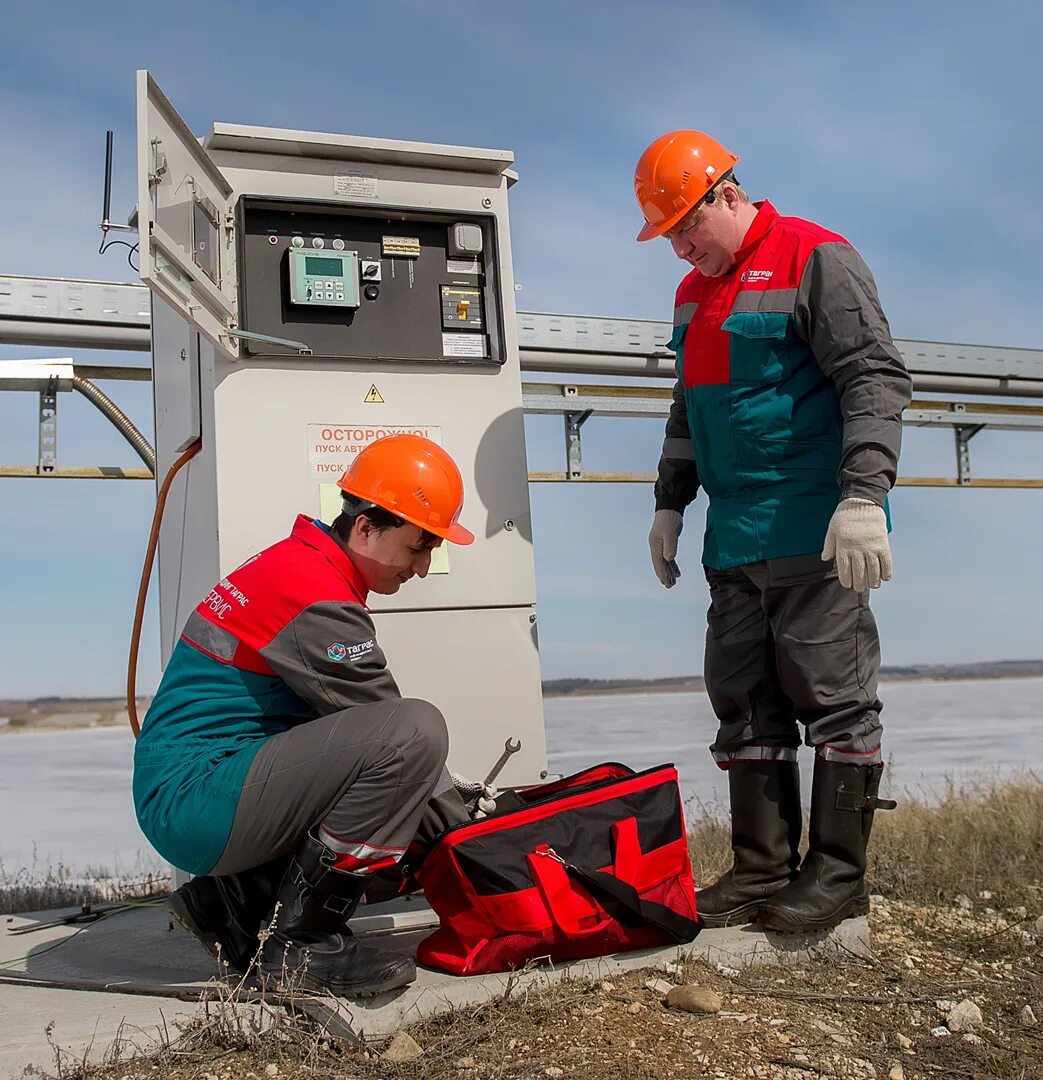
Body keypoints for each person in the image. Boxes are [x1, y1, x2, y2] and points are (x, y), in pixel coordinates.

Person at [634, 130, 912, 933]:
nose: (682, 247)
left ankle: (836, 876)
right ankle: (760, 869)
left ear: (728, 194)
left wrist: (863, 496)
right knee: (745, 703)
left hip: (816, 529)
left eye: (688, 225)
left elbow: (873, 375)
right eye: (669, 236)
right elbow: (689, 407)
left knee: (833, 704)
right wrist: (668, 502)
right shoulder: (692, 294)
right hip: (735, 537)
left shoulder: (815, 257)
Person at [133, 434, 486, 996]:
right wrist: (475, 845)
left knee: (387, 780)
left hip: (197, 788)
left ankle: (231, 902)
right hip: (197, 799)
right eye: (421, 546)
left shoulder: (305, 567)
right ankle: (302, 946)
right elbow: (392, 731)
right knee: (415, 733)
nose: (423, 567)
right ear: (367, 527)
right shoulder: (317, 597)